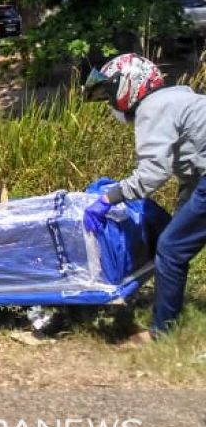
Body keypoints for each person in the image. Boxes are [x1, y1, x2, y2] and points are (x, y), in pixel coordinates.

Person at [83, 52, 206, 345]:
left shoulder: (153, 108)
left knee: (172, 248)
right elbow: (192, 169)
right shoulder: (178, 100)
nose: (111, 103)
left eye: (110, 93)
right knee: (175, 243)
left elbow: (152, 173)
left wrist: (108, 199)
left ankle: (161, 334)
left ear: (130, 85)